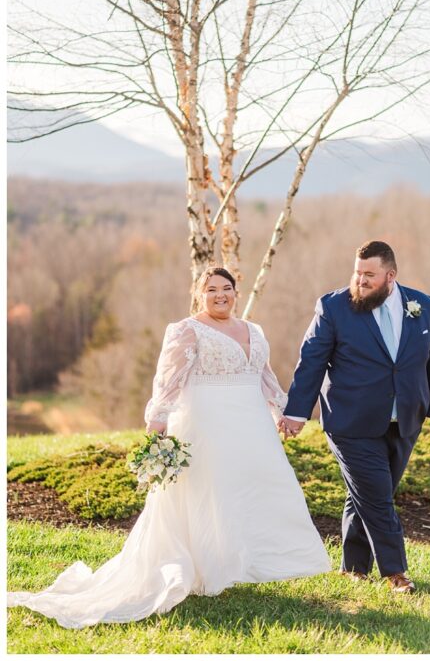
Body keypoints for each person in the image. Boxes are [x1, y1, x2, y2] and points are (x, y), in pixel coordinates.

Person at [8, 267, 332, 629]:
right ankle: (207, 570)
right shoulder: (187, 329)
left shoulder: (253, 330)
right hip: (208, 424)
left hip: (252, 426)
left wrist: (282, 411)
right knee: (209, 492)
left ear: (236, 292)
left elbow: (264, 375)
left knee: (251, 490)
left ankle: (241, 563)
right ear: (199, 293)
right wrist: (158, 420)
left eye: (227, 288)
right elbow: (168, 379)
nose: (220, 295)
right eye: (211, 289)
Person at [279, 240, 430, 594]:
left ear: (390, 275)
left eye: (369, 274)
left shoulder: (423, 305)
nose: (361, 280)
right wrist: (296, 411)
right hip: (349, 421)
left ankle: (353, 566)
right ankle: (396, 573)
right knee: (377, 495)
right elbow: (311, 361)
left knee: (366, 494)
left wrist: (427, 405)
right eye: (357, 272)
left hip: (404, 420)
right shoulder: (333, 307)